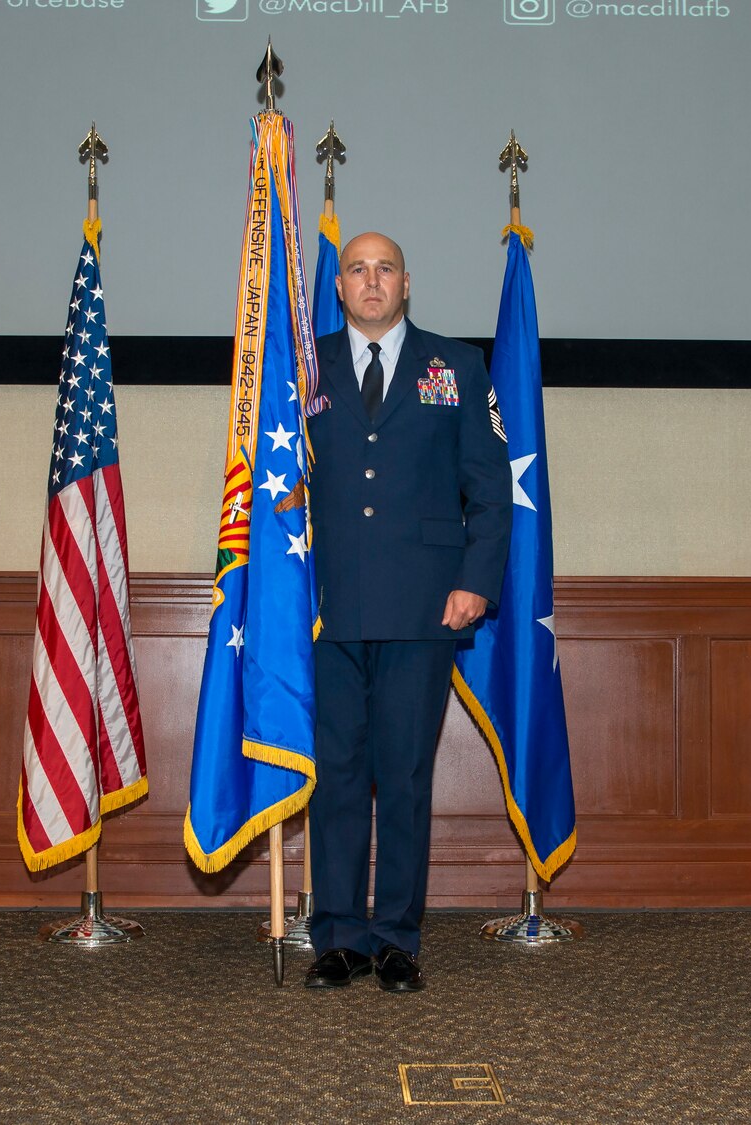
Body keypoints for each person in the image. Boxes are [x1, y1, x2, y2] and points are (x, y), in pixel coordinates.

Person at [301, 232, 511, 993]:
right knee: (338, 777)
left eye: (384, 268)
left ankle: (396, 938)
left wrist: (476, 580)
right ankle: (337, 938)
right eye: (356, 269)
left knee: (407, 774)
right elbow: (273, 486)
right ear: (341, 287)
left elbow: (489, 486)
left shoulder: (454, 366)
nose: (370, 280)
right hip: (327, 608)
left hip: (426, 603)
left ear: (406, 282)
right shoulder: (304, 367)